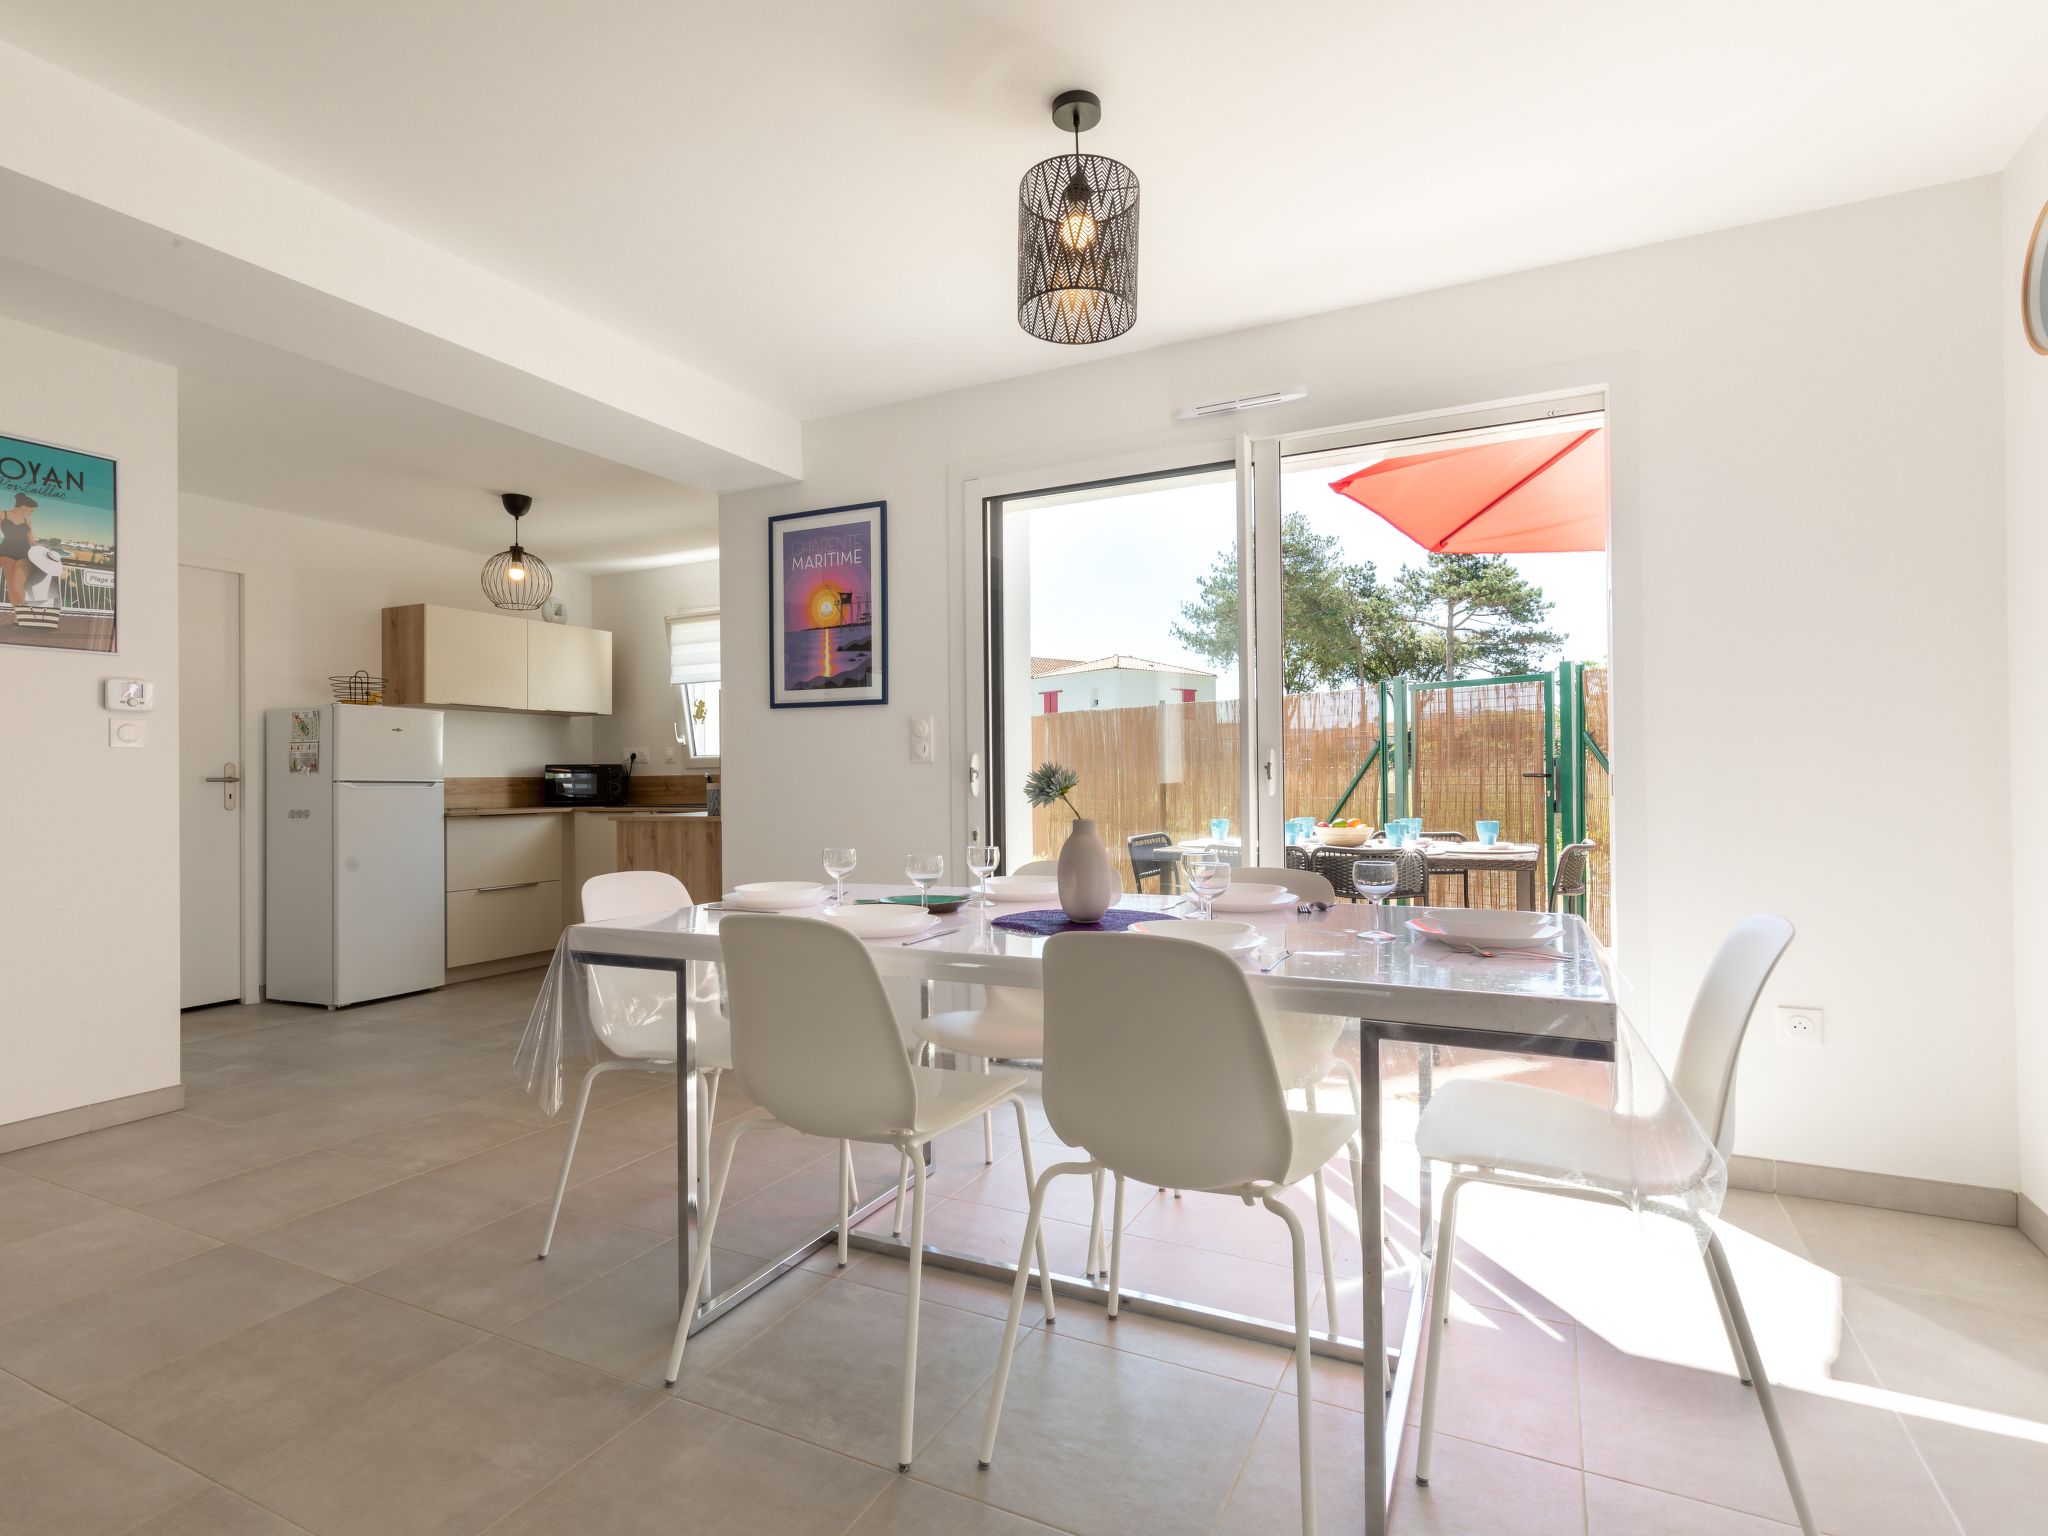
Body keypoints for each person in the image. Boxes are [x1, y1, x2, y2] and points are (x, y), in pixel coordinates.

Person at [0, 493, 36, 609]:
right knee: (11, 585)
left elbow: (31, 540)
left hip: (24, 553)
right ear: (24, 506)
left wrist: (46, 553)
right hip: (6, 552)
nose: (31, 513)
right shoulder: (2, 514)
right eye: (31, 510)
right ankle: (18, 616)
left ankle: (25, 612)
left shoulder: (27, 521)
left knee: (18, 584)